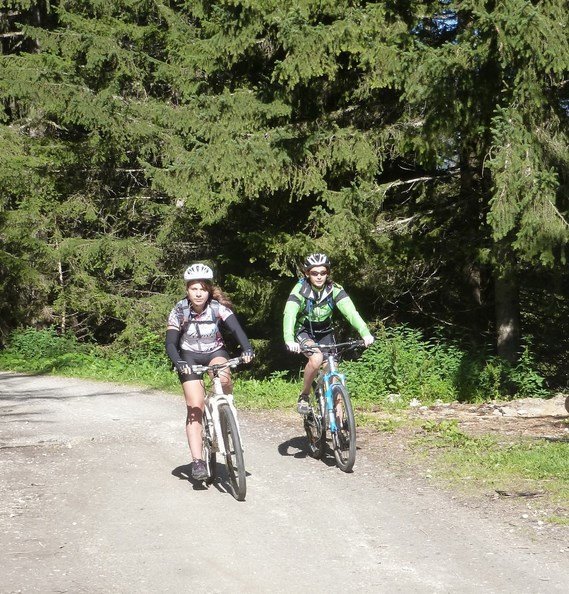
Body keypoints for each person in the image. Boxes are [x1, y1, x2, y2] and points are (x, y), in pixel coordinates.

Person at [165, 263, 254, 481]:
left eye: (202, 289)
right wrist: (178, 362)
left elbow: (236, 330)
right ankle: (197, 461)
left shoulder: (217, 308)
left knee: (223, 376)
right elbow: (170, 344)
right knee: (195, 406)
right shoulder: (179, 310)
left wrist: (247, 349)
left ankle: (225, 407)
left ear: (209, 291)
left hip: (215, 351)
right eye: (194, 288)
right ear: (187, 289)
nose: (198, 293)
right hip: (189, 356)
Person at [283, 253, 374, 414]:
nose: (319, 277)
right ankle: (304, 395)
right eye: (314, 273)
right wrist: (289, 339)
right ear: (307, 273)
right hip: (304, 331)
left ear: (328, 273)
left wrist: (365, 332)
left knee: (334, 374)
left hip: (325, 331)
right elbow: (289, 314)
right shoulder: (300, 290)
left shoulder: (335, 289)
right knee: (316, 358)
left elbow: (351, 312)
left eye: (323, 273)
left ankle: (339, 427)